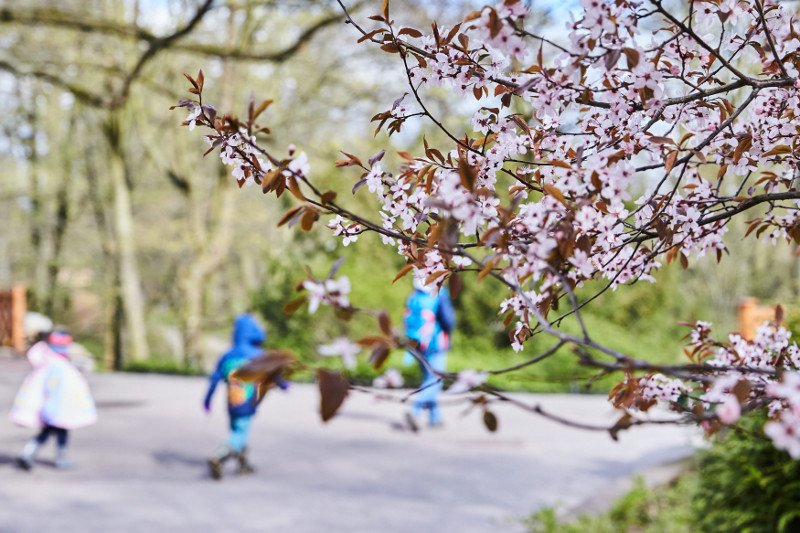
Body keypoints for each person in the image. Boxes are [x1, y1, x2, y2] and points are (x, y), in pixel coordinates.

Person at [203, 312, 287, 480]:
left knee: (237, 430)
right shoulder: (258, 355)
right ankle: (219, 456)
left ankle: (243, 463)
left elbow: (214, 380)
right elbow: (274, 373)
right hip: (248, 402)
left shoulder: (227, 356)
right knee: (239, 434)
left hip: (231, 403)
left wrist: (207, 400)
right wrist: (283, 384)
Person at [11, 331, 97, 470]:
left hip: (54, 408)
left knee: (46, 433)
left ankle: (28, 453)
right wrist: (52, 408)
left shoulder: (49, 365)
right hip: (57, 409)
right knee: (59, 433)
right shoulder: (58, 367)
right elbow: (54, 390)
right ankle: (59, 458)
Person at [403, 279, 456, 430]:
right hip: (435, 343)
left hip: (417, 344)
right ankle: (414, 410)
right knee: (435, 380)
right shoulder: (440, 294)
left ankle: (435, 418)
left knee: (428, 379)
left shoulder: (413, 296)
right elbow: (449, 320)